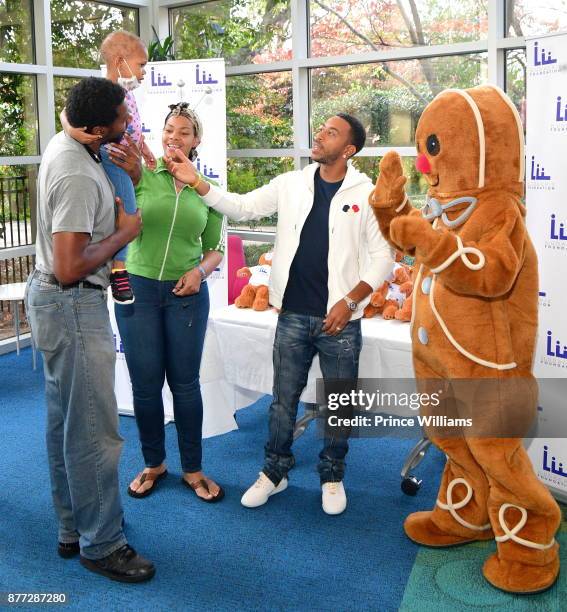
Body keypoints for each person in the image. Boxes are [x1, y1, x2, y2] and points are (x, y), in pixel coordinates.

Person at [166, 113, 393, 515]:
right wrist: (196, 180)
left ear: (349, 150)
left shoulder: (367, 193)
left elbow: (382, 260)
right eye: (321, 127)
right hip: (291, 315)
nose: (320, 134)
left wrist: (350, 302)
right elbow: (240, 206)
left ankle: (333, 474)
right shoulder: (292, 184)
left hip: (341, 320)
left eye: (331, 133)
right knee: (282, 402)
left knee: (339, 402)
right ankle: (274, 472)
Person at [25, 77, 155, 582]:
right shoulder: (77, 174)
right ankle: (102, 544)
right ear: (97, 127)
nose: (129, 123)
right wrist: (125, 233)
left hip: (59, 306)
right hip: (73, 304)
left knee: (65, 424)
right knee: (96, 431)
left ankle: (73, 528)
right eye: (123, 118)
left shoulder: (69, 140)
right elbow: (68, 265)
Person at [115, 102, 226, 503]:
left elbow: (215, 247)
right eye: (168, 130)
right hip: (139, 291)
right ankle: (153, 464)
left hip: (188, 295)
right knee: (145, 387)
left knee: (185, 385)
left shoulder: (205, 189)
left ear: (196, 140)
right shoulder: (143, 175)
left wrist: (200, 272)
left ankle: (193, 469)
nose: (173, 137)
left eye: (183, 132)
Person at [61, 30, 156, 305]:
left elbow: (135, 128)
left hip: (127, 153)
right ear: (119, 61)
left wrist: (145, 149)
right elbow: (66, 113)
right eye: (141, 65)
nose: (143, 73)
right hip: (111, 154)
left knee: (126, 203)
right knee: (126, 203)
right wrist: (73, 132)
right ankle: (119, 270)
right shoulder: (103, 93)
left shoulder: (127, 94)